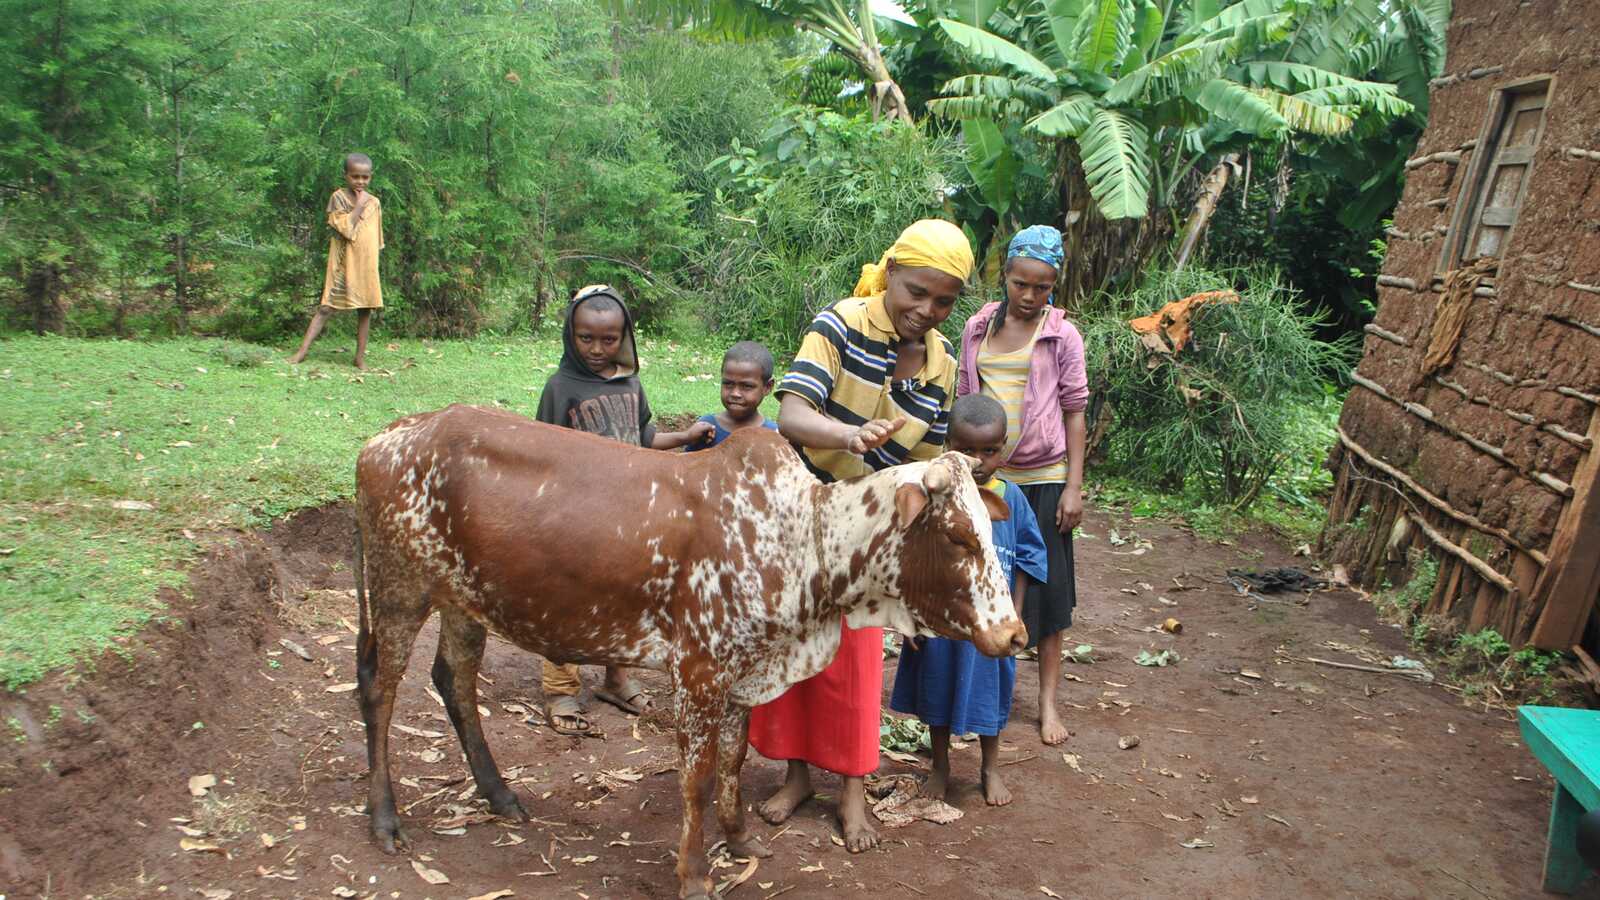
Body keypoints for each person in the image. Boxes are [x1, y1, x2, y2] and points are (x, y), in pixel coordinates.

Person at [750, 218, 974, 852]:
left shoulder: (940, 364)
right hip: (802, 515)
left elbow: (927, 466)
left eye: (944, 300)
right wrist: (847, 436)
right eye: (915, 292)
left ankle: (851, 792)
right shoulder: (841, 323)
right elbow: (791, 414)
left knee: (854, 666)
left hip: (874, 539)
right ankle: (795, 777)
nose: (926, 310)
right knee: (791, 654)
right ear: (891, 274)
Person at [533, 284, 714, 734]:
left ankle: (615, 677)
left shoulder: (630, 383)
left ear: (624, 337)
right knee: (567, 600)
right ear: (570, 336)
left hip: (627, 517)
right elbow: (540, 454)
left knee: (619, 596)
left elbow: (643, 436)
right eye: (586, 338)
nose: (597, 349)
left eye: (608, 339)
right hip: (576, 519)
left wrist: (687, 438)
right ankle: (561, 688)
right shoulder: (560, 388)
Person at [957, 225, 1088, 747]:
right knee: (981, 583)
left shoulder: (1062, 335)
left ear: (1054, 283)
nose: (1030, 296)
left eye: (1042, 286)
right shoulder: (976, 328)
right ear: (1005, 276)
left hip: (1044, 477)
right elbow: (966, 402)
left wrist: (1074, 487)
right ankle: (980, 697)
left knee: (1048, 595)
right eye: (1020, 284)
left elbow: (1075, 412)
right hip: (988, 478)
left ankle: (1048, 704)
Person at [889, 394, 1047, 806]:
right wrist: (912, 617)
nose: (978, 462)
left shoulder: (1012, 500)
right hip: (944, 620)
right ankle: (939, 767)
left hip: (994, 621)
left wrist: (1013, 611)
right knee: (936, 691)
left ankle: (989, 768)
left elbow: (1030, 556)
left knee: (992, 697)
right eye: (966, 450)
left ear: (1004, 447)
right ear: (946, 446)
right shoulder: (936, 499)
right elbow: (913, 560)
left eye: (989, 451)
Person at [289, 152, 385, 369]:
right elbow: (345, 229)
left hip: (366, 263)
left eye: (365, 177)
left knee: (365, 309)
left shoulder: (375, 202)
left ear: (370, 177)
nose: (360, 181)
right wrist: (358, 206)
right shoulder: (338, 198)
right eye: (355, 177)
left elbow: (376, 236)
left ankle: (359, 358)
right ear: (346, 176)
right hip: (343, 262)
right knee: (326, 307)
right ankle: (301, 352)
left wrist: (373, 261)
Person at [686, 341, 779, 449]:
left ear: (768, 387)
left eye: (747, 386)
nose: (735, 394)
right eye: (728, 384)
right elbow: (687, 464)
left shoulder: (773, 435)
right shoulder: (706, 428)